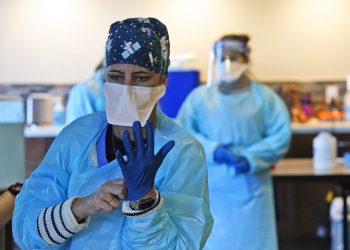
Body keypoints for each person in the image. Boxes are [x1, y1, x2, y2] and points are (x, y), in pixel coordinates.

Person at [13, 17, 213, 249]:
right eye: (116, 77)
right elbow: (26, 232)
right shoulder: (77, 136)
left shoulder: (183, 152)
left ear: (163, 81)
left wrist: (145, 202)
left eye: (141, 77)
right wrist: (81, 208)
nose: (126, 88)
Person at [177, 34, 291, 250]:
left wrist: (251, 157)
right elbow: (184, 133)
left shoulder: (265, 99)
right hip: (213, 189)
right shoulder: (200, 98)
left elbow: (280, 135)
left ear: (245, 60)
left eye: (233, 58)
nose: (227, 64)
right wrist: (213, 150)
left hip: (252, 188)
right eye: (223, 58)